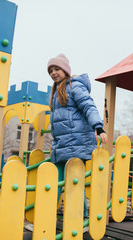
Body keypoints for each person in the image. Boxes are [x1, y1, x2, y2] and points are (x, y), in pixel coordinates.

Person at [47, 53, 108, 217]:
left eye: (56, 69)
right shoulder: (55, 93)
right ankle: (48, 215)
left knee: (75, 181)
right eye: (51, 70)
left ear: (65, 70)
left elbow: (89, 106)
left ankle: (80, 216)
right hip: (61, 147)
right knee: (55, 182)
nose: (53, 73)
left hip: (76, 144)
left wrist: (98, 127)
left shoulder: (75, 87)